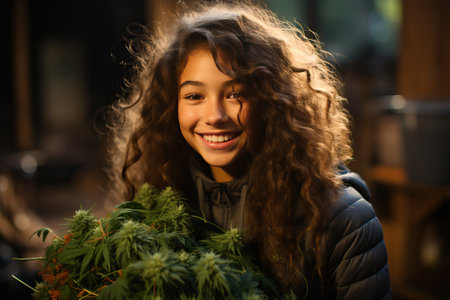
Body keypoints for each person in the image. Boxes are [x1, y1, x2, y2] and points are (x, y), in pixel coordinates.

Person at [107, 1, 392, 299]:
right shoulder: (160, 204)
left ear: (272, 101)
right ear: (170, 106)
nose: (215, 116)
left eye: (235, 94)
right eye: (194, 96)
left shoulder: (343, 218)